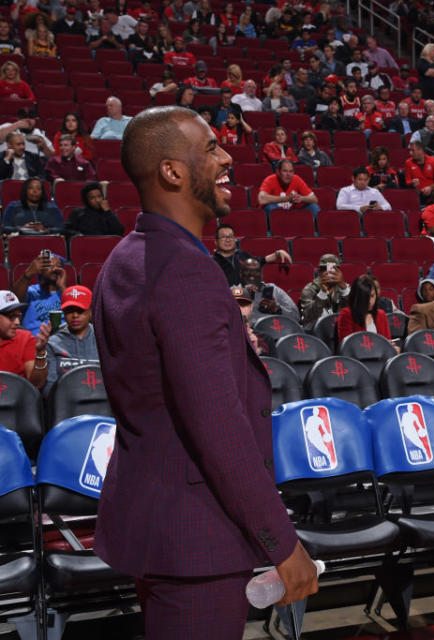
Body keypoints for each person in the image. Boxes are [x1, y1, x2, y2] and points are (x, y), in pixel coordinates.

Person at [91, 107, 317, 636]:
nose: (227, 157)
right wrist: (281, 543)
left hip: (157, 523)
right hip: (197, 538)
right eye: (212, 148)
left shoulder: (124, 257)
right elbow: (217, 426)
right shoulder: (187, 271)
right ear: (172, 171)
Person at [44, 284, 101, 392]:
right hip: (66, 403)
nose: (75, 315)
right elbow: (49, 388)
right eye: (70, 311)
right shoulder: (52, 343)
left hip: (101, 401)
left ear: (90, 312)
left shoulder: (103, 339)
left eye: (80, 310)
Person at [212, 223, 290, 286]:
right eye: (223, 237)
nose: (228, 240)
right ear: (216, 241)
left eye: (231, 236)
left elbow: (261, 260)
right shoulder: (211, 262)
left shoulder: (241, 254)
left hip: (248, 296)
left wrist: (278, 253)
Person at [0, 290, 50, 389]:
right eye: (12, 317)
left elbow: (36, 385)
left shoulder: (26, 338)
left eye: (18, 316)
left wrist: (40, 352)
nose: (17, 322)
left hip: (17, 401)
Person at [13, 251, 65, 335]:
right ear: (39, 270)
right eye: (50, 265)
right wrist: (28, 273)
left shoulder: (66, 292)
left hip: (63, 341)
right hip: (35, 341)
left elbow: (84, 316)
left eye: (59, 266)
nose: (55, 269)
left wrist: (62, 287)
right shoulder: (31, 291)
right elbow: (14, 302)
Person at [238, 257, 299, 324]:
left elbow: (296, 316)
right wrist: (244, 296)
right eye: (247, 271)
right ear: (241, 273)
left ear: (261, 274)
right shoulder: (232, 292)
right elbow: (227, 317)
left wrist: (276, 309)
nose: (252, 274)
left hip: (272, 331)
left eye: (256, 271)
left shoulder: (274, 290)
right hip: (245, 332)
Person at [300, 254, 350, 326]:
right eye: (325, 269)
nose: (329, 273)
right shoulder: (309, 289)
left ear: (339, 272)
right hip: (316, 330)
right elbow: (308, 317)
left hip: (339, 328)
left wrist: (344, 289)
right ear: (319, 272)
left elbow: (355, 311)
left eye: (333, 269)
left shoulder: (344, 288)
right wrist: (322, 293)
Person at [336, 274, 390, 339]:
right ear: (357, 297)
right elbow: (347, 345)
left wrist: (391, 346)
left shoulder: (381, 314)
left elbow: (387, 340)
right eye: (365, 298)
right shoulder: (346, 313)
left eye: (372, 296)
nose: (370, 301)